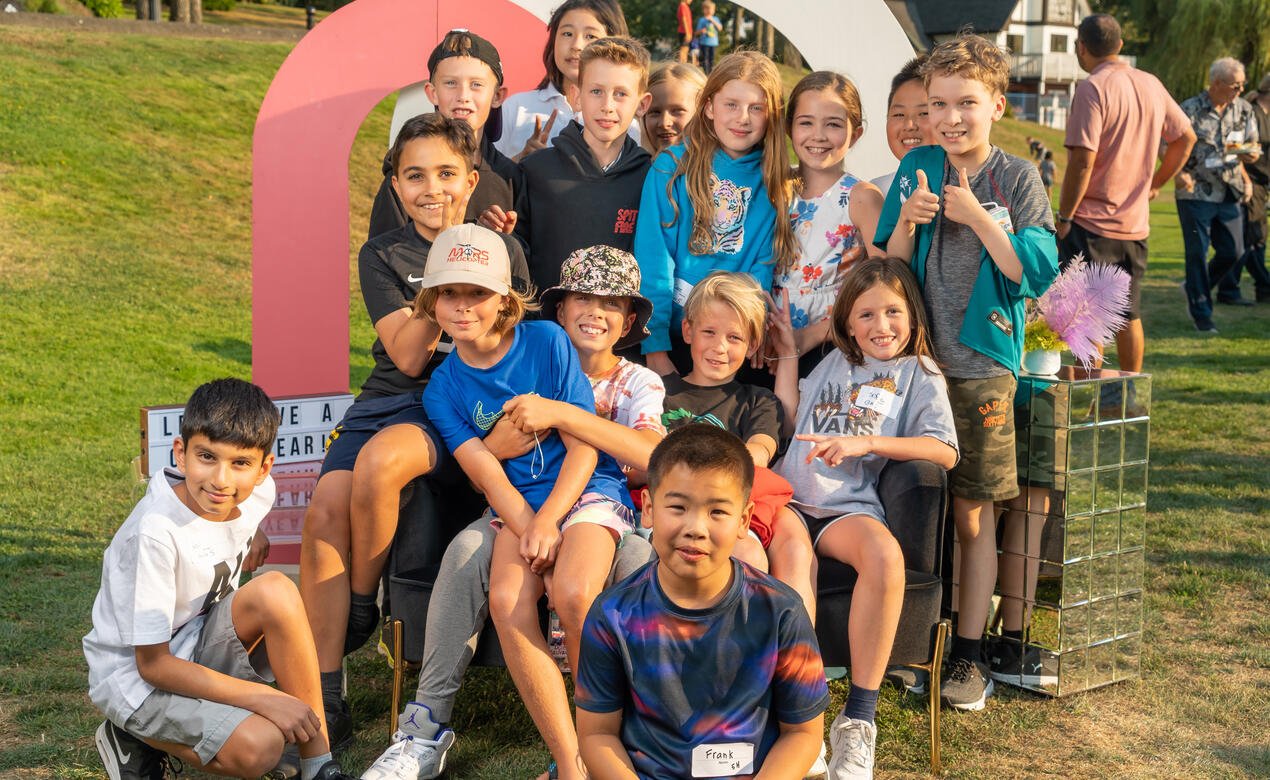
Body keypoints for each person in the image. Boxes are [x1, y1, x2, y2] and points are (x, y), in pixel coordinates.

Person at [359, 245, 661, 780]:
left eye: (477, 292)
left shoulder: (550, 344)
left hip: (587, 493)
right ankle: (569, 762)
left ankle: (608, 744)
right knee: (504, 597)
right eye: (448, 292)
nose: (462, 305)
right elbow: (486, 471)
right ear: (429, 301)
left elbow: (589, 448)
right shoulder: (444, 387)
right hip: (515, 507)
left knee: (574, 592)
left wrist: (549, 524)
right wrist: (530, 527)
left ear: (505, 300)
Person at [298, 113, 530, 749]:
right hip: (391, 393)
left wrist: (462, 258)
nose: (432, 187)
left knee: (382, 463)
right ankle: (326, 687)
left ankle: (363, 603)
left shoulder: (502, 251)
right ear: (396, 187)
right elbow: (403, 356)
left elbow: (510, 343)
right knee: (324, 508)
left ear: (471, 180)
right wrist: (443, 268)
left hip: (457, 396)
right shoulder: (382, 252)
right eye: (414, 175)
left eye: (446, 174)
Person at [876, 33, 1059, 711]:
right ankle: (908, 641)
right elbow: (890, 264)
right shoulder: (919, 164)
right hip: (917, 365)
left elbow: (1030, 271)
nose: (950, 118)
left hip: (982, 368)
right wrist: (909, 224)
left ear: (996, 105)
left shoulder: (1016, 178)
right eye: (938, 104)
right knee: (916, 503)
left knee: (974, 511)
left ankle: (971, 654)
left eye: (965, 104)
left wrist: (980, 219)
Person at [84, 379, 359, 780]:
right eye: (207, 457)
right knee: (261, 745)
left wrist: (251, 535)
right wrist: (267, 699)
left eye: (240, 464)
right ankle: (131, 735)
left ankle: (319, 768)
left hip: (196, 640)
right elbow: (153, 665)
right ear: (180, 452)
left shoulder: (255, 495)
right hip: (139, 678)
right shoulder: (154, 535)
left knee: (277, 590)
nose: (220, 480)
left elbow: (236, 515)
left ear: (264, 468)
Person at [771, 257, 958, 779]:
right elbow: (789, 418)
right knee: (793, 573)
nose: (882, 326)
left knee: (884, 557)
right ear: (847, 323)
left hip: (845, 508)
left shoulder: (918, 372)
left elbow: (943, 451)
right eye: (867, 314)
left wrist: (867, 443)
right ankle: (801, 721)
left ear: (913, 317)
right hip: (789, 501)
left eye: (893, 312)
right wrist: (788, 352)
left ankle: (856, 721)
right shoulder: (832, 362)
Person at [575, 424, 829, 780]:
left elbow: (802, 734)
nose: (695, 527)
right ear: (648, 508)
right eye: (677, 506)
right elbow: (596, 733)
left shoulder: (781, 612)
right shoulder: (612, 616)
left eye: (717, 512)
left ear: (743, 520)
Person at [659, 272, 819, 630]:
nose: (719, 347)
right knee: (744, 550)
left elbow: (760, 449)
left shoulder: (756, 400)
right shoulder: (661, 394)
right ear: (687, 332)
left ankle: (798, 657)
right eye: (709, 333)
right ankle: (737, 657)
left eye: (734, 338)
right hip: (685, 505)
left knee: (789, 548)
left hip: (745, 497)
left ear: (751, 346)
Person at [635, 50, 796, 378]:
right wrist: (656, 350)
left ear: (771, 116)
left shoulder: (775, 184)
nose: (743, 118)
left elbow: (760, 274)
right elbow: (654, 261)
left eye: (756, 108)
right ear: (708, 106)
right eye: (732, 105)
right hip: (673, 340)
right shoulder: (671, 167)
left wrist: (750, 334)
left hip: (734, 346)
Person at [1056, 12, 1195, 369]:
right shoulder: (1150, 82)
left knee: (1088, 317)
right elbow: (1185, 137)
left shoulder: (1092, 87)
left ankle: (1090, 400)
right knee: (1129, 314)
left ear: (1081, 48)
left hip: (1091, 222)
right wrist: (1156, 184)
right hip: (1135, 224)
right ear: (1120, 45)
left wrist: (1065, 216)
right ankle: (1129, 396)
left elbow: (1082, 162)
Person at [482, 37, 652, 292]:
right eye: (596, 91)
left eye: (621, 94)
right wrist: (502, 235)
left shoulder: (650, 177)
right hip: (545, 324)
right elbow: (516, 255)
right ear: (576, 97)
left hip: (615, 327)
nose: (607, 106)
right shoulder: (536, 170)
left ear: (642, 104)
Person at [775, 71, 886, 378]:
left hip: (828, 346)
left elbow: (885, 287)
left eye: (833, 124)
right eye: (806, 122)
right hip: (766, 343)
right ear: (789, 127)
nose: (819, 135)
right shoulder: (776, 186)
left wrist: (810, 336)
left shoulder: (860, 197)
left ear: (856, 133)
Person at [366, 30, 525, 242]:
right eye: (451, 83)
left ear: (497, 96)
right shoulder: (405, 177)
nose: (463, 96)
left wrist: (498, 242)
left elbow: (525, 262)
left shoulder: (510, 178)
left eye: (476, 84)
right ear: (432, 92)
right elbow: (383, 259)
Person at [1175, 56, 1262, 329]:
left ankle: (1195, 287)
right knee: (1197, 252)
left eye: (1241, 85)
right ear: (1216, 83)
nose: (1239, 90)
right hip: (1195, 191)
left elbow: (1252, 145)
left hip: (1229, 190)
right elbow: (1166, 144)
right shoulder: (1188, 109)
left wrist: (1250, 158)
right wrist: (1177, 173)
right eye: (1235, 86)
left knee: (1234, 251)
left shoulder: (1244, 109)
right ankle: (1202, 314)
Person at [495, 0, 639, 162]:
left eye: (590, 36)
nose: (576, 45)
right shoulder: (515, 107)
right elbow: (488, 178)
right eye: (567, 34)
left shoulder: (623, 122)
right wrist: (522, 159)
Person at [872, 56, 930, 196]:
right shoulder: (875, 193)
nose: (909, 126)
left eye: (923, 113)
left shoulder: (970, 187)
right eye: (898, 115)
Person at [1241, 73, 1270, 303]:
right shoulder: (1251, 114)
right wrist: (1246, 180)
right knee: (1252, 238)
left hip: (1262, 182)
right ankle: (1264, 284)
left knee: (1259, 237)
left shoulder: (1266, 115)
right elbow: (1237, 150)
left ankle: (1261, 288)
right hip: (1250, 182)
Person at [640, 61, 706, 157]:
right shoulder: (634, 168)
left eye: (677, 111)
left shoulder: (722, 169)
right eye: (655, 112)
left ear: (704, 112)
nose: (664, 123)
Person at [694, 0, 723, 74]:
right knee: (705, 59)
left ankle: (710, 73)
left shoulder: (715, 19)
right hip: (704, 42)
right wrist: (701, 31)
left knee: (712, 59)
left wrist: (713, 21)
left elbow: (720, 28)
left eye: (712, 9)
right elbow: (696, 32)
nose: (711, 11)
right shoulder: (702, 20)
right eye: (708, 9)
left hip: (713, 43)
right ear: (704, 10)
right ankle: (706, 73)